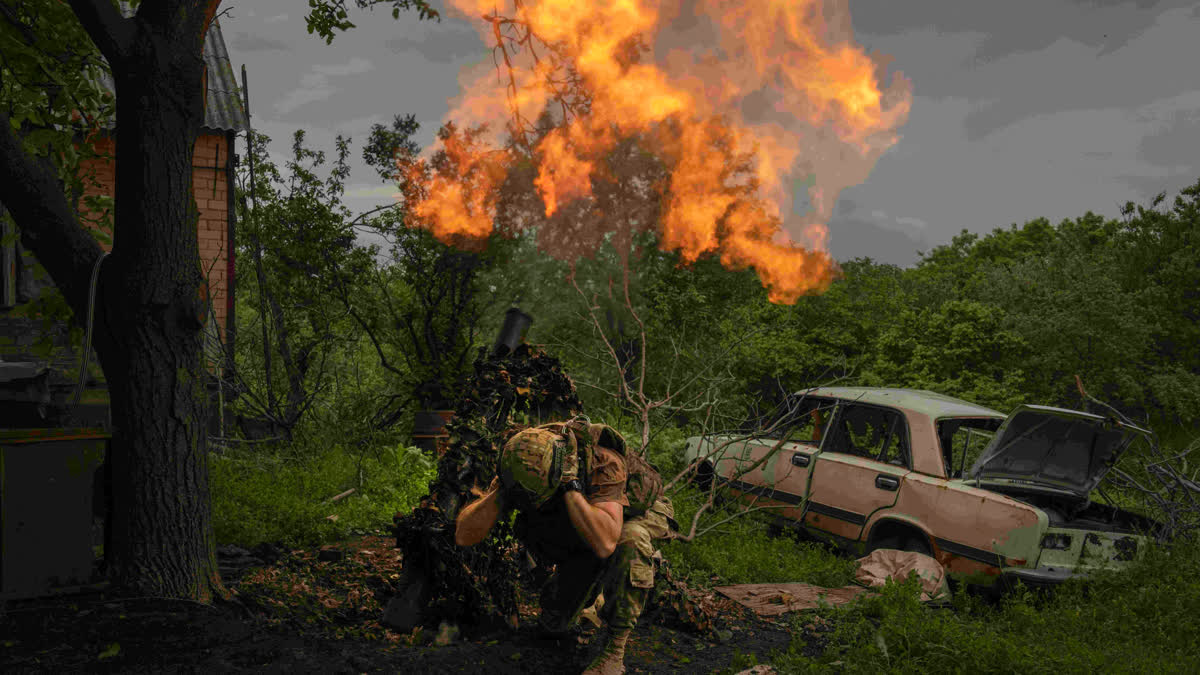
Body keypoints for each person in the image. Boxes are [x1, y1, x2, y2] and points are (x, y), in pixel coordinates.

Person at [455, 422, 674, 675]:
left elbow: (605, 542)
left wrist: (570, 485)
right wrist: (499, 494)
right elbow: (463, 536)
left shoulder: (603, 461)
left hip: (630, 514)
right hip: (588, 523)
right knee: (554, 625)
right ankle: (591, 594)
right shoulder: (522, 463)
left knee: (630, 539)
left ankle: (614, 649)